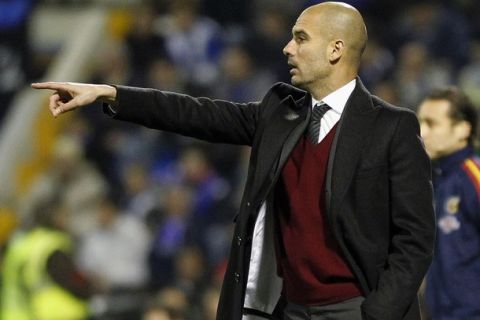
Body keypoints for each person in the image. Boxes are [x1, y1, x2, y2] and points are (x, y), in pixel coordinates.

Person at [31, 2, 435, 319]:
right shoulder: (281, 111)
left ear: (335, 49)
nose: (287, 47)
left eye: (300, 38)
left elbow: (415, 239)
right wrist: (112, 94)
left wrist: (377, 312)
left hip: (355, 308)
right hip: (289, 309)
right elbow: (197, 113)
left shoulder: (392, 128)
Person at [417, 87, 480, 319]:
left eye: (432, 124)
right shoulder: (437, 179)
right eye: (421, 122)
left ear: (463, 129)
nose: (422, 132)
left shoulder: (473, 177)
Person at [0, 198, 93, 320]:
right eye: (65, 214)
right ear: (57, 218)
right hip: (63, 312)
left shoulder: (25, 244)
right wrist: (90, 288)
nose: (68, 220)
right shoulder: (51, 244)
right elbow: (72, 278)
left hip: (27, 312)